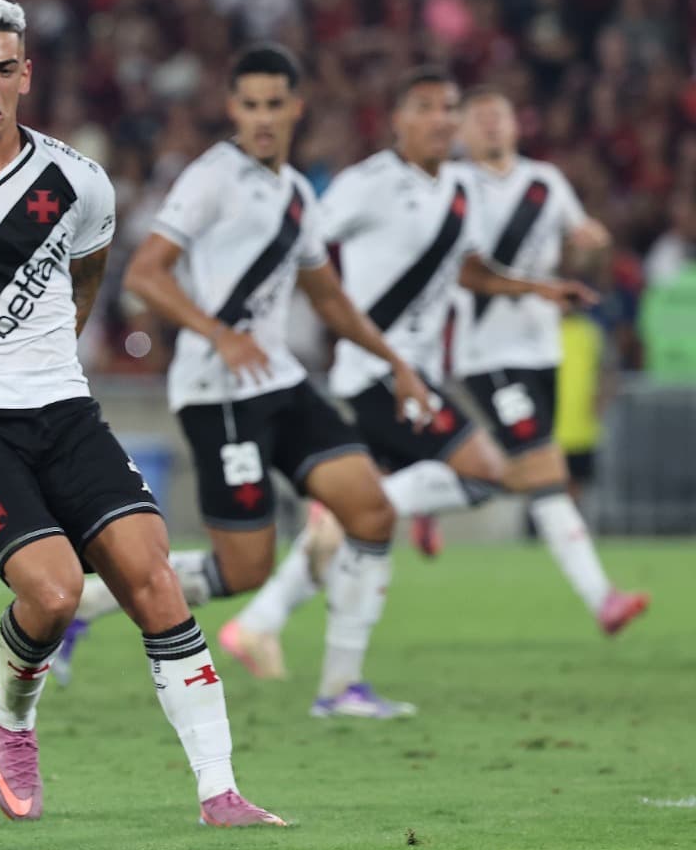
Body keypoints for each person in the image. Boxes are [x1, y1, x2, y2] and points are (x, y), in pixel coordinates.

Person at [0, 0, 285, 827]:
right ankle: (10, 716)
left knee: (153, 575)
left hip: (61, 404)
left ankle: (219, 790)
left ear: (26, 77)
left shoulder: (78, 181)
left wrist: (42, 358)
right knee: (51, 593)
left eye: (5, 70)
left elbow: (86, 280)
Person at [58, 45, 435, 719]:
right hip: (219, 392)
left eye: (274, 105)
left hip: (279, 380)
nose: (263, 117)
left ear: (296, 107)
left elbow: (330, 298)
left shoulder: (296, 192)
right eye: (251, 105)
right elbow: (145, 272)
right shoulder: (212, 178)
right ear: (234, 109)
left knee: (372, 509)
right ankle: (89, 601)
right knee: (244, 570)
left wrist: (396, 363)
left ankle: (339, 688)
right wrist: (218, 333)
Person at [225, 70, 628, 666]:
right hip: (380, 371)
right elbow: (302, 240)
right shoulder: (368, 183)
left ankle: (259, 622)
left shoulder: (457, 192)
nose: (441, 117)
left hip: (418, 373)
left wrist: (540, 289)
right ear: (398, 120)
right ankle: (355, 515)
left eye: (448, 106)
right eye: (426, 107)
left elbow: (470, 271)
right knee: (498, 471)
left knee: (372, 518)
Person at [426, 87, 648, 627]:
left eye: (499, 115)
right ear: (461, 132)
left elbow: (579, 249)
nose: (492, 126)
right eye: (479, 119)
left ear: (516, 125)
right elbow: (460, 269)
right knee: (545, 472)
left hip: (541, 347)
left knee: (524, 470)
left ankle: (416, 491)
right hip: (486, 351)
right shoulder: (454, 186)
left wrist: (591, 244)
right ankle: (603, 598)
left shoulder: (546, 183)